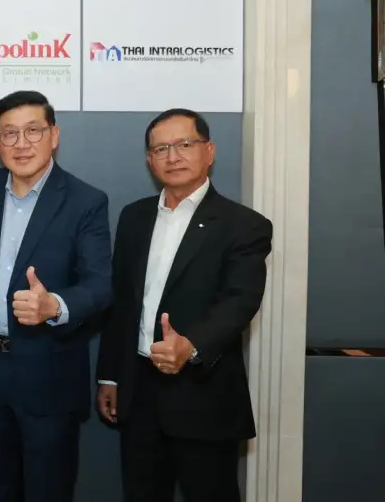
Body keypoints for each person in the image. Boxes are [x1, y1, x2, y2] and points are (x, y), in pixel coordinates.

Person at [0, 90, 114, 502]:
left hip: (49, 371)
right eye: (10, 133)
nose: (22, 144)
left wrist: (54, 306)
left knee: (47, 490)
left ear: (54, 135)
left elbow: (100, 285)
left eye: (33, 131)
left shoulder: (85, 201)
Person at [96, 108, 273, 502]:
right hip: (138, 393)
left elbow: (240, 300)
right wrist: (110, 376)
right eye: (161, 149)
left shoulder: (244, 225)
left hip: (203, 395)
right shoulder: (134, 217)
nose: (172, 156)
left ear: (209, 151)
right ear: (149, 160)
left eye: (184, 145)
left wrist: (190, 345)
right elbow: (121, 303)